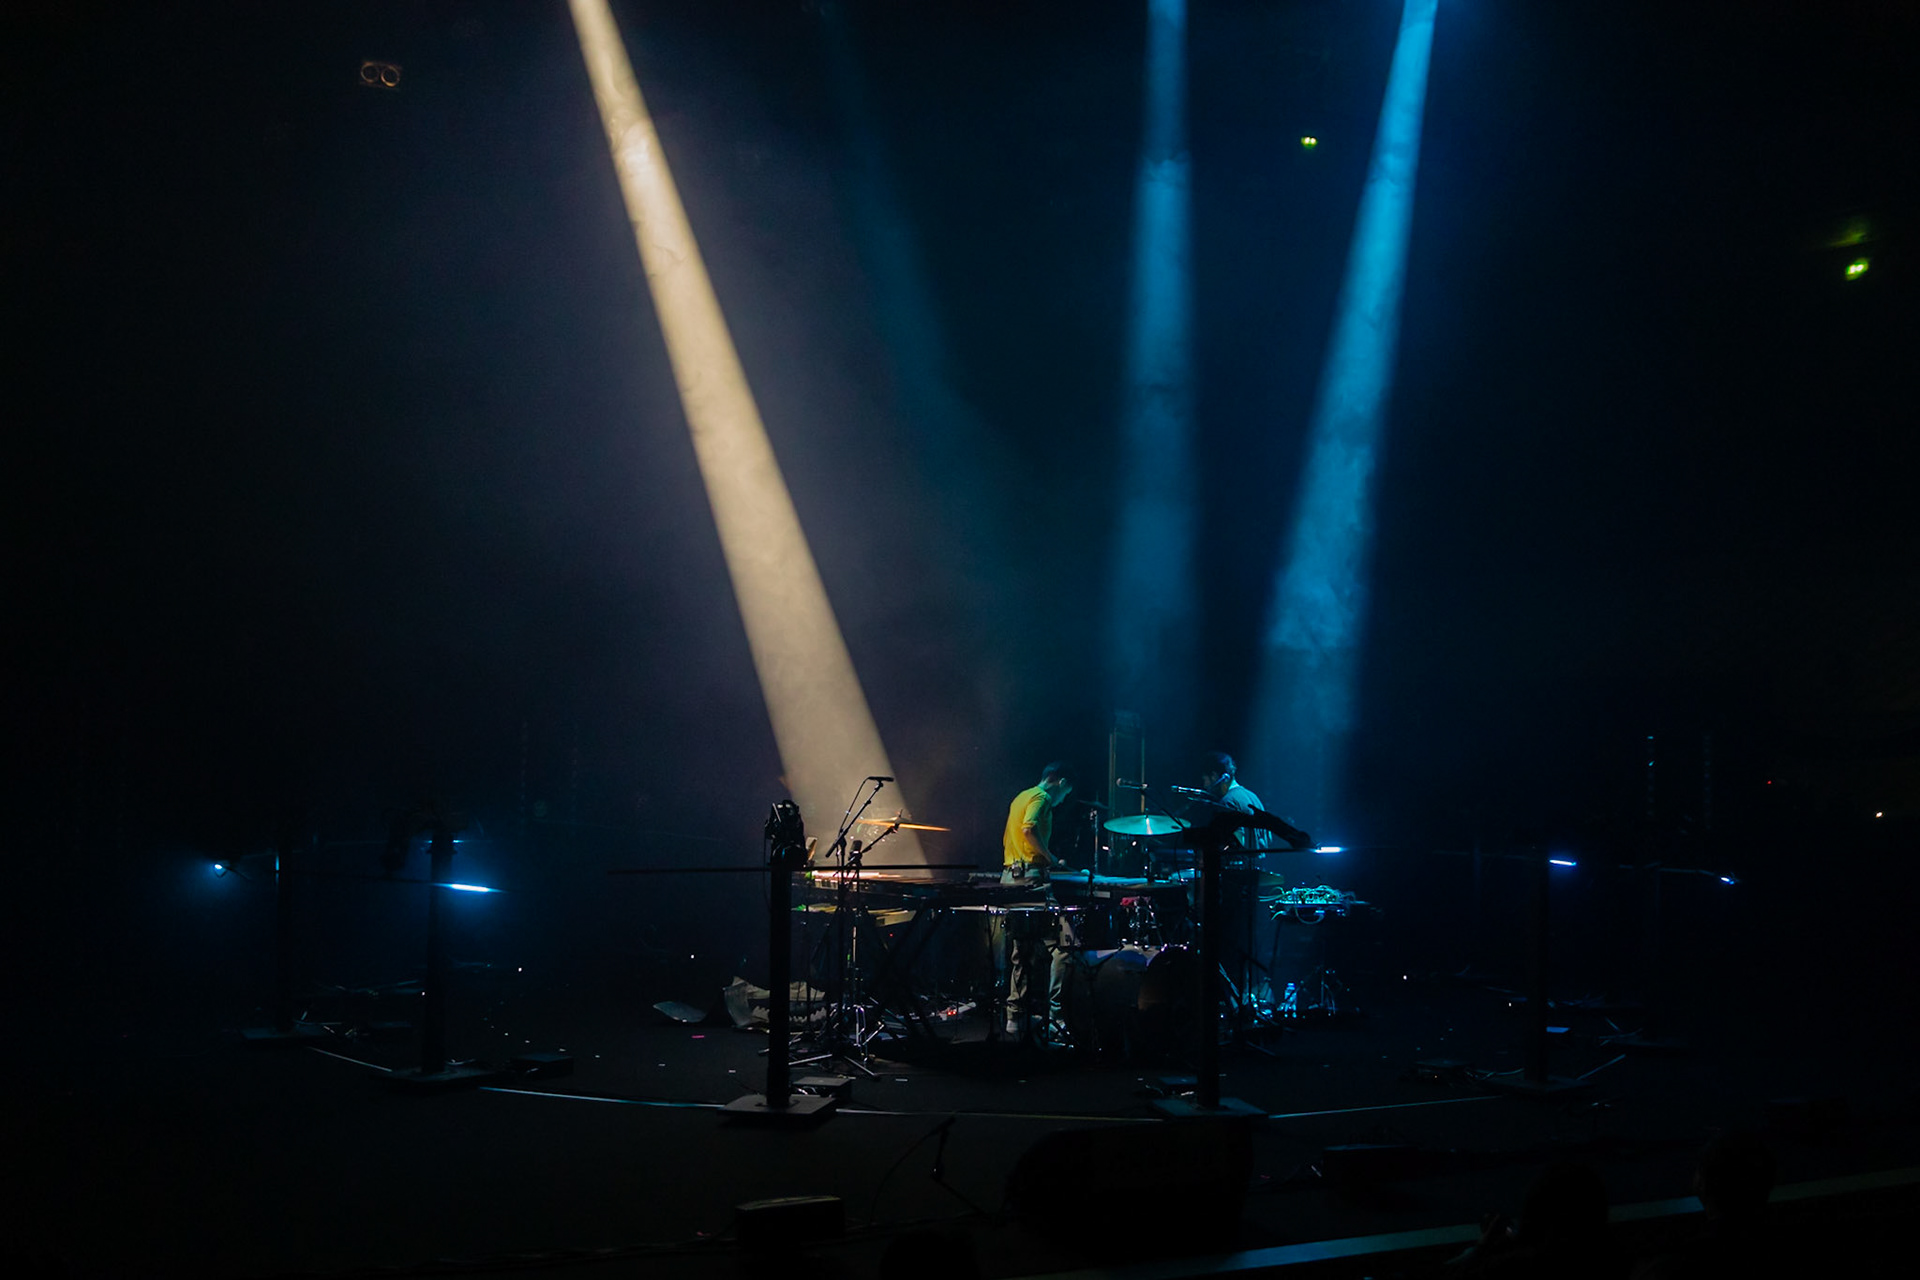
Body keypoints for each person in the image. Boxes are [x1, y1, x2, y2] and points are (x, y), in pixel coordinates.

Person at [997, 762, 1076, 1041]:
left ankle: (1015, 1017)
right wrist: (1053, 859)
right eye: (1065, 793)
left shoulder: (1021, 795)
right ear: (1060, 781)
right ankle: (1057, 1017)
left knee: (1022, 949)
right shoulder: (1042, 798)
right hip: (1032, 880)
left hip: (1009, 877)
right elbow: (1029, 829)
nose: (1063, 799)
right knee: (1063, 945)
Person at [1198, 751, 1278, 851]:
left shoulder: (1227, 802)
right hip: (1259, 864)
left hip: (1238, 865)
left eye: (1205, 780)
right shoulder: (1254, 797)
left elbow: (1236, 841)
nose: (1205, 785)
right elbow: (1268, 839)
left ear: (1214, 776)